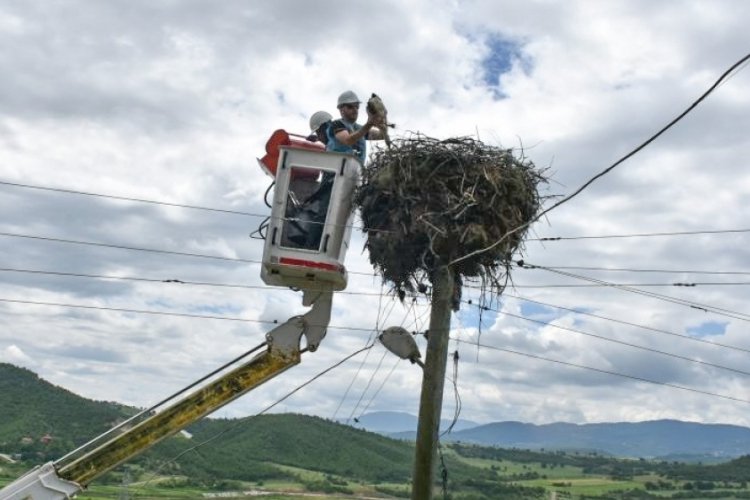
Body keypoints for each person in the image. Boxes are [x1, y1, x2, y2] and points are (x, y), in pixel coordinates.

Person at [326, 90, 383, 163]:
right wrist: (369, 124)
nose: (355, 109)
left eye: (357, 106)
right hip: (335, 172)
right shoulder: (336, 124)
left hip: (355, 172)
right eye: (350, 106)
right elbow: (348, 140)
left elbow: (382, 135)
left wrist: (381, 121)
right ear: (341, 109)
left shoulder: (359, 128)